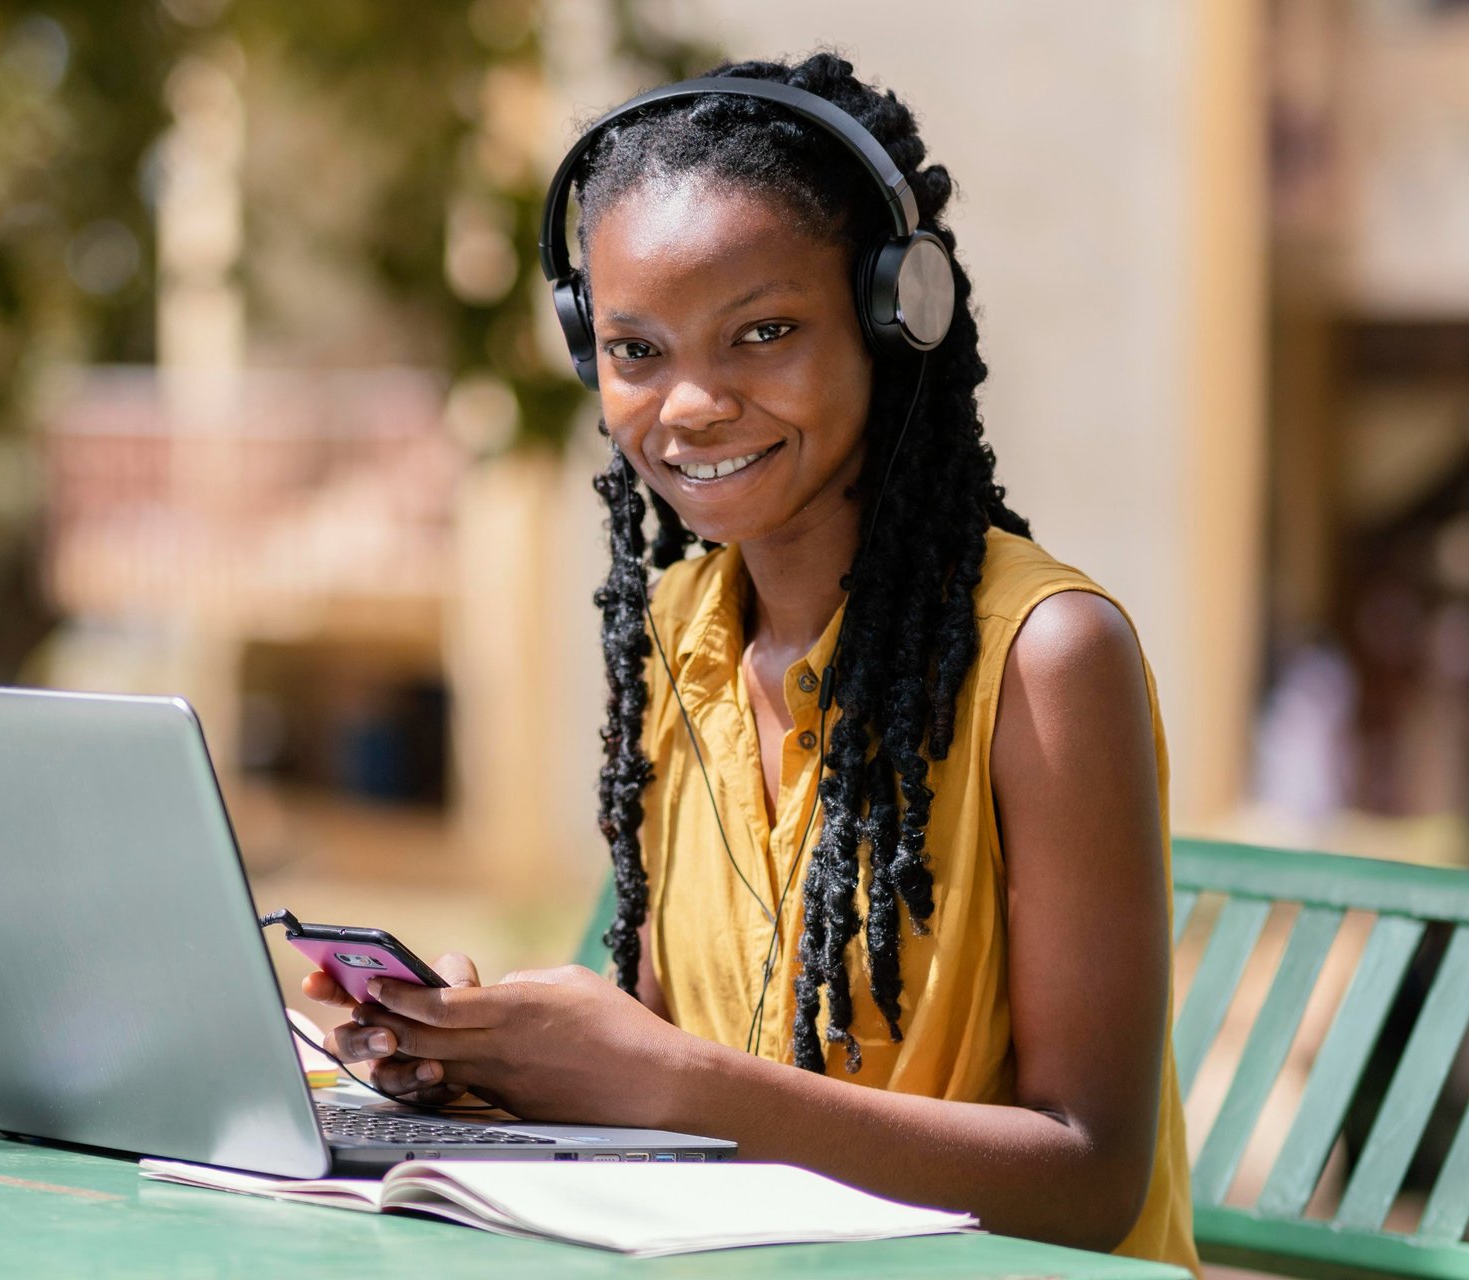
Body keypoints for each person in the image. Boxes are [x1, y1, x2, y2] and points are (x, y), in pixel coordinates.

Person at [306, 52, 1197, 1269]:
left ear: (898, 317)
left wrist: (676, 1081)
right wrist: (485, 1054)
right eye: (635, 349)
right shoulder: (679, 629)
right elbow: (686, 1071)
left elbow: (1090, 1180)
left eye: (762, 332)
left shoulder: (1046, 655)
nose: (691, 405)